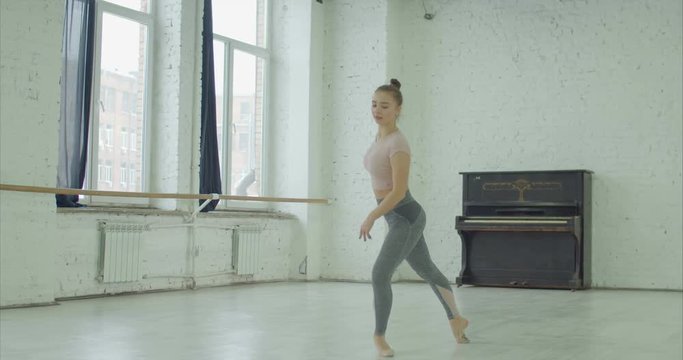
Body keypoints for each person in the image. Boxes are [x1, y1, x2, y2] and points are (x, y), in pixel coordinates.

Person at [360, 78, 470, 357]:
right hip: (399, 217)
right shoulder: (380, 137)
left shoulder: (398, 143)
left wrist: (372, 215)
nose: (377, 110)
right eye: (374, 104)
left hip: (405, 216)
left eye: (384, 105)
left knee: (379, 274)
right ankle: (457, 319)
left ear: (398, 109)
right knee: (427, 270)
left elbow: (397, 192)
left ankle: (379, 337)